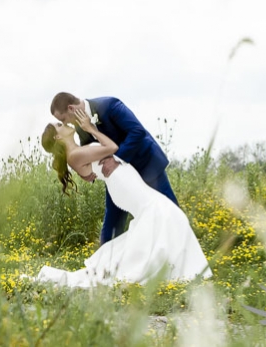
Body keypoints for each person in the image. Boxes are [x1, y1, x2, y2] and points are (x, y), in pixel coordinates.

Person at [35, 115, 212, 288]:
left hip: (122, 180)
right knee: (162, 211)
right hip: (122, 183)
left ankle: (179, 268)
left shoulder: (77, 152)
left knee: (165, 213)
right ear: (58, 136)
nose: (64, 124)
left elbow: (93, 169)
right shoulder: (75, 154)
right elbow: (111, 147)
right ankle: (179, 270)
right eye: (59, 125)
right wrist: (91, 129)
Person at [50, 92, 177, 244]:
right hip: (118, 178)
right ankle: (107, 264)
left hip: (145, 164)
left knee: (171, 210)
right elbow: (88, 151)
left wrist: (116, 159)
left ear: (71, 108)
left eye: (63, 119)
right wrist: (87, 172)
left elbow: (137, 131)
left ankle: (181, 250)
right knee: (112, 224)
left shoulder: (109, 105)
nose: (67, 124)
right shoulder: (79, 127)